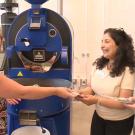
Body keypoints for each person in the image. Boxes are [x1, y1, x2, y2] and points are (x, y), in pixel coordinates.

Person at [75, 28, 135, 135]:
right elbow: (91, 88)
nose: (102, 45)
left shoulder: (128, 69)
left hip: (119, 121)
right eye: (102, 42)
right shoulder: (98, 65)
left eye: (107, 41)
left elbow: (124, 103)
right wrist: (80, 94)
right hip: (99, 116)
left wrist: (97, 100)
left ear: (119, 45)